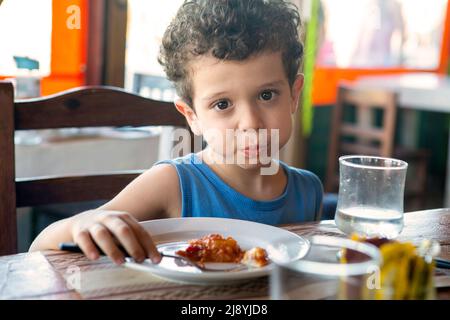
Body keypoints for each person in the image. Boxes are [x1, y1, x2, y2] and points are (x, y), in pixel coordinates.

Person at [29, 0, 323, 265]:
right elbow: (39, 248)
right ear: (192, 116)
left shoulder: (308, 191)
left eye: (267, 95)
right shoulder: (172, 183)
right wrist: (86, 222)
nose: (251, 123)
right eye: (222, 104)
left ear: (294, 95)